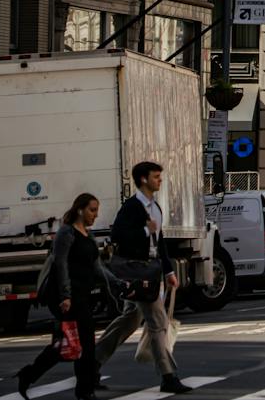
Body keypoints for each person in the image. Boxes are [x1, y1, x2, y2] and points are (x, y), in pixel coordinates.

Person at [96, 162, 190, 394]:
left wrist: (169, 271)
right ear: (143, 179)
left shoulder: (155, 207)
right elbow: (118, 235)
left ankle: (90, 363)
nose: (160, 180)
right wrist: (145, 231)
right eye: (156, 177)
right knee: (158, 322)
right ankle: (168, 376)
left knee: (130, 318)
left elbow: (160, 241)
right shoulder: (132, 207)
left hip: (150, 269)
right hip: (136, 271)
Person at [18, 194, 121, 400]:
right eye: (92, 210)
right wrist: (65, 296)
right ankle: (84, 391)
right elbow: (61, 264)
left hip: (83, 296)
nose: (95, 215)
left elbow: (97, 268)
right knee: (79, 345)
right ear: (80, 210)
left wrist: (118, 283)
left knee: (72, 345)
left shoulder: (88, 236)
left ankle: (30, 375)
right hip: (67, 298)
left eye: (97, 210)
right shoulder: (66, 232)